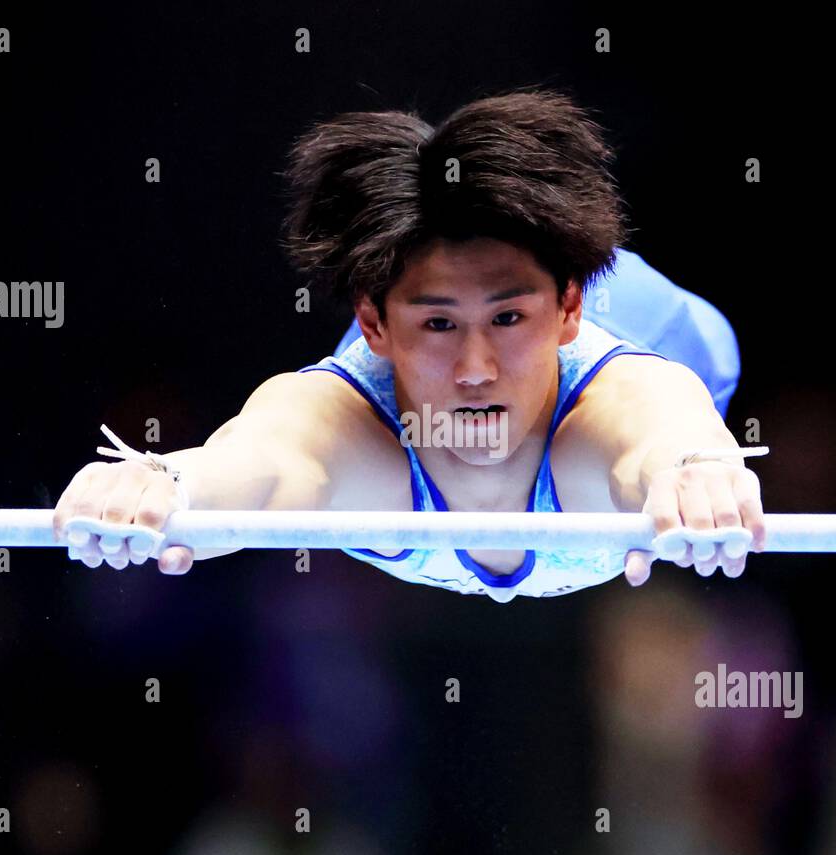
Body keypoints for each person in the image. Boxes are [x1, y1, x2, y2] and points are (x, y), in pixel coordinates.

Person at [54, 87, 766, 600]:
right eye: (438, 324)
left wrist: (695, 471)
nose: (475, 369)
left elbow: (665, 432)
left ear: (570, 308)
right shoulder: (343, 427)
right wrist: (163, 486)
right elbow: (253, 465)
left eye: (507, 321)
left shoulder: (622, 402)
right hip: (494, 337)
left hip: (653, 324)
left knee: (689, 385)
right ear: (372, 324)